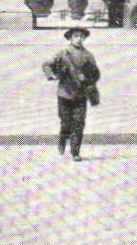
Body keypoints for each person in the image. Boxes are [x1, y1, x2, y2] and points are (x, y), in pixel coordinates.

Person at [42, 26, 101, 161]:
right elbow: (46, 65)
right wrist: (52, 76)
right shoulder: (63, 53)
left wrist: (86, 78)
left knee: (79, 123)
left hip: (81, 95)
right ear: (70, 38)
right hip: (64, 94)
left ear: (85, 38)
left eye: (81, 36)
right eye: (75, 36)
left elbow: (95, 74)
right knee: (66, 123)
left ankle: (75, 152)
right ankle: (62, 139)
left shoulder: (88, 56)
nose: (78, 39)